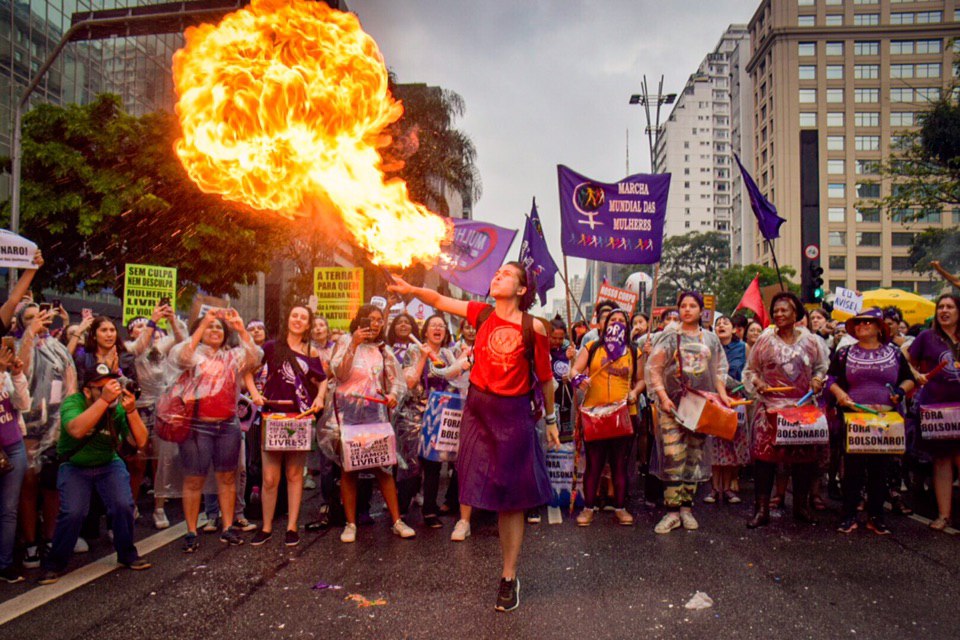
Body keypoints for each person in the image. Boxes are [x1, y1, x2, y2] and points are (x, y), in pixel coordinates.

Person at [388, 262, 560, 613]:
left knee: (511, 499)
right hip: (478, 410)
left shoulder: (534, 327)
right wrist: (412, 291)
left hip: (513, 414)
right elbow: (438, 298)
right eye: (497, 273)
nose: (498, 276)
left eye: (507, 274)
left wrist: (553, 420)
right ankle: (466, 522)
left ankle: (509, 576)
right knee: (478, 482)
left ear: (523, 289)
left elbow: (546, 379)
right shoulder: (481, 313)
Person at [38, 362, 151, 584]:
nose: (109, 391)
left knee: (123, 505)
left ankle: (127, 553)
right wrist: (103, 400)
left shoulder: (117, 408)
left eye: (111, 385)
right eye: (101, 388)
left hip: (108, 463)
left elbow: (141, 441)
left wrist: (131, 411)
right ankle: (55, 563)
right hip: (75, 465)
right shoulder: (73, 403)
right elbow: (77, 429)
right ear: (88, 391)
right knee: (73, 512)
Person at [169, 308, 262, 552]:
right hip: (197, 425)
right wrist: (202, 326)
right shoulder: (193, 354)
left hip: (227, 424)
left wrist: (241, 328)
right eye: (209, 326)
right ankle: (190, 531)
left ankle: (228, 527)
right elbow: (180, 356)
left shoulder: (232, 356)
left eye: (219, 327)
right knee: (194, 479)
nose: (214, 330)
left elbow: (255, 357)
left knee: (228, 476)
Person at [326, 304, 413, 544]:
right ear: (360, 320)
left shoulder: (384, 351)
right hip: (348, 415)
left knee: (383, 469)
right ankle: (350, 523)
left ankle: (397, 521)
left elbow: (398, 381)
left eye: (379, 320)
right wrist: (353, 344)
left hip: (375, 415)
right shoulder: (344, 342)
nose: (375, 324)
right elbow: (339, 373)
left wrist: (394, 394)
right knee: (349, 469)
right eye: (370, 319)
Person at [645, 291, 731, 534]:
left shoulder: (711, 340)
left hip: (700, 407)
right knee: (673, 457)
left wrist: (722, 393)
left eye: (693, 305)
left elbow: (719, 369)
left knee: (693, 458)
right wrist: (662, 397)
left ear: (701, 310)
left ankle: (686, 509)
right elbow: (654, 369)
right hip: (672, 406)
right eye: (683, 305)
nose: (687, 309)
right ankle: (672, 512)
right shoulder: (669, 336)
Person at [743, 292, 828, 528]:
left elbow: (821, 368)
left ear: (796, 314)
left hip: (802, 409)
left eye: (785, 310)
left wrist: (818, 380)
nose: (779, 314)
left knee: (804, 459)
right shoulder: (765, 340)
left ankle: (801, 507)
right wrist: (759, 384)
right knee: (765, 460)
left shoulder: (811, 342)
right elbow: (751, 371)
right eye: (776, 310)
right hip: (770, 408)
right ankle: (762, 509)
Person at [828, 308, 915, 535]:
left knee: (880, 470)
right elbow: (831, 379)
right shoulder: (844, 353)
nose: (862, 326)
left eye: (868, 322)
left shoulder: (894, 353)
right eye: (858, 323)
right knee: (853, 470)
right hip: (855, 418)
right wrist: (840, 395)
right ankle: (849, 516)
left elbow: (909, 379)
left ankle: (876, 517)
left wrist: (899, 391)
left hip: (885, 419)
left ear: (879, 328)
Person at [250, 305, 327, 547]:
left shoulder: (310, 350)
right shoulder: (271, 347)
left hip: (299, 417)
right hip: (273, 415)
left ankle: (292, 527)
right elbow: (247, 370)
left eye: (303, 317)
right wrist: (254, 394)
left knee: (294, 475)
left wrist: (320, 398)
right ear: (288, 319)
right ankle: (266, 526)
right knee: (270, 478)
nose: (298, 320)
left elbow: (322, 379)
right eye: (294, 315)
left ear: (308, 325)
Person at [16, 302, 78, 569]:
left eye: (38, 316)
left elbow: (71, 382)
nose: (36, 321)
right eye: (28, 318)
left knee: (52, 485)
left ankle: (51, 538)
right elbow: (22, 371)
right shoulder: (17, 346)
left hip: (54, 425)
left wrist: (67, 420)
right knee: (28, 486)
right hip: (26, 427)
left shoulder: (58, 347)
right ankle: (31, 543)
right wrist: (30, 334)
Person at [570, 308, 642, 526]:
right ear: (603, 325)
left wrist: (634, 393)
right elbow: (573, 372)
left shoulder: (633, 351)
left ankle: (620, 508)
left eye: (622, 320)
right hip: (595, 415)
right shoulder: (591, 348)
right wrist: (579, 378)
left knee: (620, 464)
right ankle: (588, 509)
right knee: (594, 464)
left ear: (627, 327)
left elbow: (641, 380)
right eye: (613, 320)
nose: (617, 323)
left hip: (623, 415)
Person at [125, 304, 187, 530]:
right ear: (131, 332)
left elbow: (181, 340)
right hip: (138, 409)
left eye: (146, 324)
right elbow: (140, 345)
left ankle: (159, 507)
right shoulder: (131, 347)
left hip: (161, 407)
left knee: (161, 462)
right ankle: (131, 504)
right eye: (137, 326)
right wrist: (151, 322)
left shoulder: (161, 345)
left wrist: (171, 320)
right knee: (138, 461)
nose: (142, 328)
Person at [395, 314, 459, 528]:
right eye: (433, 325)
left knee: (434, 464)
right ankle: (401, 510)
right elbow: (410, 382)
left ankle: (429, 510)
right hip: (413, 415)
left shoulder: (449, 354)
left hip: (439, 415)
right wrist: (423, 357)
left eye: (441, 325)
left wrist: (463, 363)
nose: (438, 329)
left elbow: (456, 380)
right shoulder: (414, 350)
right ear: (426, 331)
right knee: (411, 465)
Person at [907, 294, 960, 531]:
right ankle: (944, 515)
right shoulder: (926, 337)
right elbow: (904, 359)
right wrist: (915, 374)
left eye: (950, 307)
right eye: (941, 307)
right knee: (942, 461)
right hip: (937, 410)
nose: (944, 311)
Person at [704, 315, 749, 505]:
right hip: (714, 398)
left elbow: (748, 372)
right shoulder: (709, 348)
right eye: (718, 323)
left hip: (736, 398)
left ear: (734, 330)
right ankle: (714, 488)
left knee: (732, 442)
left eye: (725, 323)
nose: (721, 325)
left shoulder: (743, 348)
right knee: (714, 444)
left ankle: (729, 487)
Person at [0, 345, 30, 583]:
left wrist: (17, 375)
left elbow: (23, 404)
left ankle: (5, 563)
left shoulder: (6, 374)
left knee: (9, 509)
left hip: (14, 446)